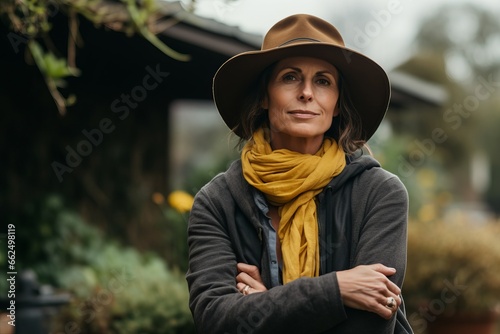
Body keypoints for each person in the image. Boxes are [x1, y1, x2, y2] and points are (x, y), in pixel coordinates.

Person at [186, 13, 413, 334]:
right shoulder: (216, 202)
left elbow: (371, 323)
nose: (307, 92)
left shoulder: (379, 193)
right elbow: (214, 319)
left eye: (323, 81)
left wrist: (267, 304)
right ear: (264, 95)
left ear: (336, 104)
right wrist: (336, 289)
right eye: (290, 77)